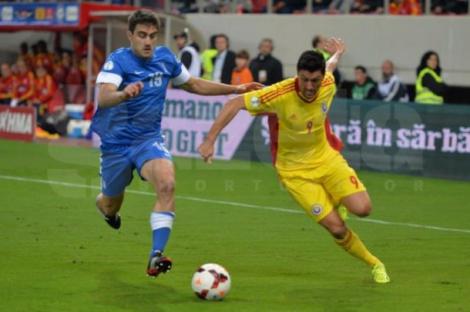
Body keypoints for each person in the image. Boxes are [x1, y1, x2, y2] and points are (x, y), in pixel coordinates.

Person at [198, 38, 390, 284]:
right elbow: (235, 103)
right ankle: (375, 264)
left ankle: (334, 198)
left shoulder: (328, 83)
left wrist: (339, 53)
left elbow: (330, 66)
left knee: (363, 209)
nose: (309, 86)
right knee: (337, 228)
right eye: (304, 79)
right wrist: (210, 139)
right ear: (297, 75)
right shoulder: (280, 93)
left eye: (314, 80)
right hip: (295, 173)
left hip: (326, 159)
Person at [91, 9, 262, 279]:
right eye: (142, 35)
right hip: (116, 145)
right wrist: (124, 93)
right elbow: (104, 97)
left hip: (148, 140)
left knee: (167, 184)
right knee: (111, 203)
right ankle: (105, 207)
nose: (148, 41)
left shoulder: (165, 58)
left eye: (152, 36)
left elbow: (192, 84)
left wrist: (236, 89)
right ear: (130, 36)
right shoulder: (118, 61)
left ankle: (156, 254)